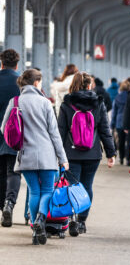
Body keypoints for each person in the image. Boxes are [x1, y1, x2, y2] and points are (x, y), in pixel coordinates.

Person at [1, 69, 69, 245]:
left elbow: (4, 128)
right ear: (37, 83)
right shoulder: (45, 102)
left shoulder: (15, 101)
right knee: (47, 190)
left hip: (25, 154)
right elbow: (54, 134)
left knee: (34, 191)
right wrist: (63, 158)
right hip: (47, 155)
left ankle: (34, 230)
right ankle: (40, 219)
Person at [58, 72, 116, 237]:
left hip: (71, 153)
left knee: (72, 187)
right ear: (90, 85)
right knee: (87, 186)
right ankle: (82, 220)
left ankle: (72, 220)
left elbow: (60, 131)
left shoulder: (67, 104)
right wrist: (111, 153)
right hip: (93, 153)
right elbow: (105, 130)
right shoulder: (98, 103)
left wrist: (58, 154)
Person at [0, 49, 21, 228]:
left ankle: (2, 207)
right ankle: (9, 204)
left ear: (1, 63)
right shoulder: (21, 83)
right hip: (14, 133)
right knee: (13, 171)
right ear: (17, 65)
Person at [111, 80, 130, 166]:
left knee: (121, 141)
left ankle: (121, 158)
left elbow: (114, 112)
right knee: (129, 141)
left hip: (119, 121)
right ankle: (128, 159)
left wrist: (112, 124)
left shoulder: (117, 98)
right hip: (129, 121)